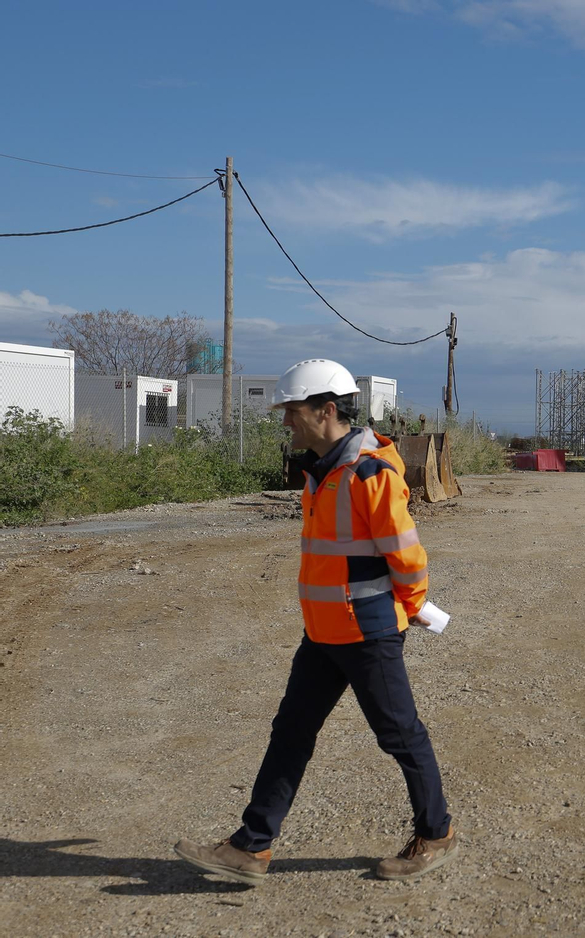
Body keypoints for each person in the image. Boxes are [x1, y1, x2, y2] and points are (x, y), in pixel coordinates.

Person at [175, 359, 458, 885]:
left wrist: (411, 606)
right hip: (324, 632)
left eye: (292, 411)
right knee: (291, 732)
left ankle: (436, 833)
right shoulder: (322, 470)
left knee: (400, 734)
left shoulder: (369, 473)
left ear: (326, 410)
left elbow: (408, 557)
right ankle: (251, 847)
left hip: (368, 631)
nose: (286, 421)